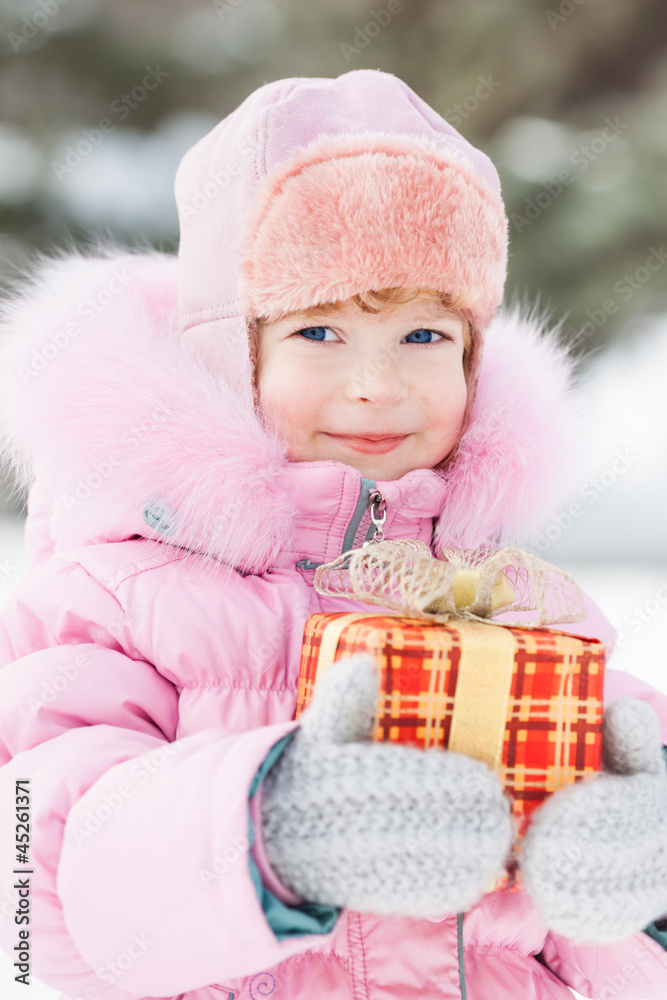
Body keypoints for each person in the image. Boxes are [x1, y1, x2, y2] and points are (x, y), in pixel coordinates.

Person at [0, 68, 666, 1000]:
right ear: (231, 350)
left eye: (423, 337)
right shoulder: (115, 601)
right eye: (319, 333)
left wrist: (639, 887)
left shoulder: (523, 611)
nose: (375, 386)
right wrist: (270, 831)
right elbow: (28, 899)